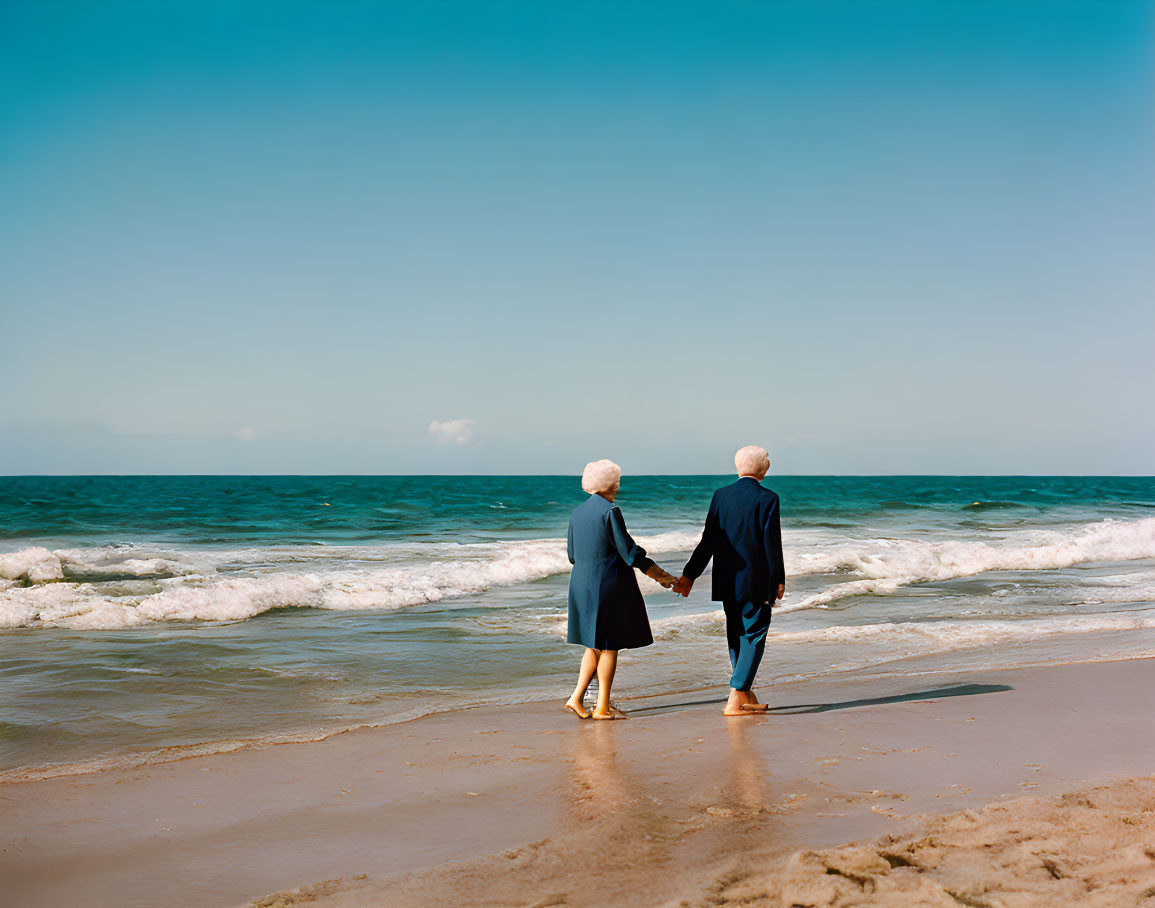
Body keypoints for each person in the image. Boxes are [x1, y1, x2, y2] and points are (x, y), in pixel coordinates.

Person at [673, 446, 785, 716]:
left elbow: (707, 541)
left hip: (726, 580)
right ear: (765, 470)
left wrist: (690, 575)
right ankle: (736, 695)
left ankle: (744, 693)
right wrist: (778, 580)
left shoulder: (720, 496)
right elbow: (772, 544)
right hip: (756, 580)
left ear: (738, 467)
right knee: (755, 634)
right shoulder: (768, 498)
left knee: (736, 635)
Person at [564, 459, 677, 720]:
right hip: (607, 585)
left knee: (593, 646)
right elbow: (629, 553)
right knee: (610, 645)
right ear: (613, 485)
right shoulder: (610, 511)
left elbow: (572, 555)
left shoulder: (577, 512)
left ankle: (575, 698)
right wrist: (660, 575)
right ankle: (602, 706)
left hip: (580, 583)